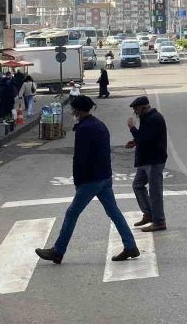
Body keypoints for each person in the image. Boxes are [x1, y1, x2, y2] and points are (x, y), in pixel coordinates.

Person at [35, 94, 140, 264]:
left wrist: (78, 181)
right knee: (114, 212)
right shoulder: (99, 124)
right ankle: (130, 246)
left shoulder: (84, 129)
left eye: (73, 109)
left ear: (78, 110)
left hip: (91, 179)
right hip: (104, 176)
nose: (72, 112)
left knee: (72, 213)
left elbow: (80, 158)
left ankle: (58, 251)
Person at [126, 96, 168, 232]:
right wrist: (135, 142)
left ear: (143, 108)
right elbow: (145, 137)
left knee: (155, 192)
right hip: (145, 160)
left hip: (154, 160)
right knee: (137, 185)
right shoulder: (146, 118)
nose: (135, 112)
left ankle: (159, 221)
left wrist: (132, 128)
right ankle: (149, 214)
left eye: (136, 109)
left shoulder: (154, 119)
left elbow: (145, 139)